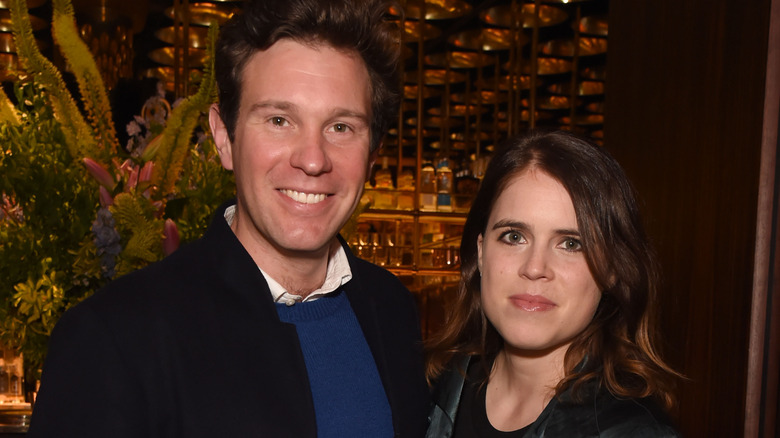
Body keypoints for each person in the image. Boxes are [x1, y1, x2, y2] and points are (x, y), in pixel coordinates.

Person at [28, 0, 430, 436]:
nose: (313, 160)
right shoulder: (114, 339)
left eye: (341, 127)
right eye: (279, 119)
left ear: (372, 154)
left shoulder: (392, 310)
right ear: (223, 137)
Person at [425, 129, 682, 437]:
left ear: (614, 268)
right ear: (481, 253)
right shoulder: (434, 390)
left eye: (571, 244)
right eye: (514, 237)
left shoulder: (631, 430)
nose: (535, 268)